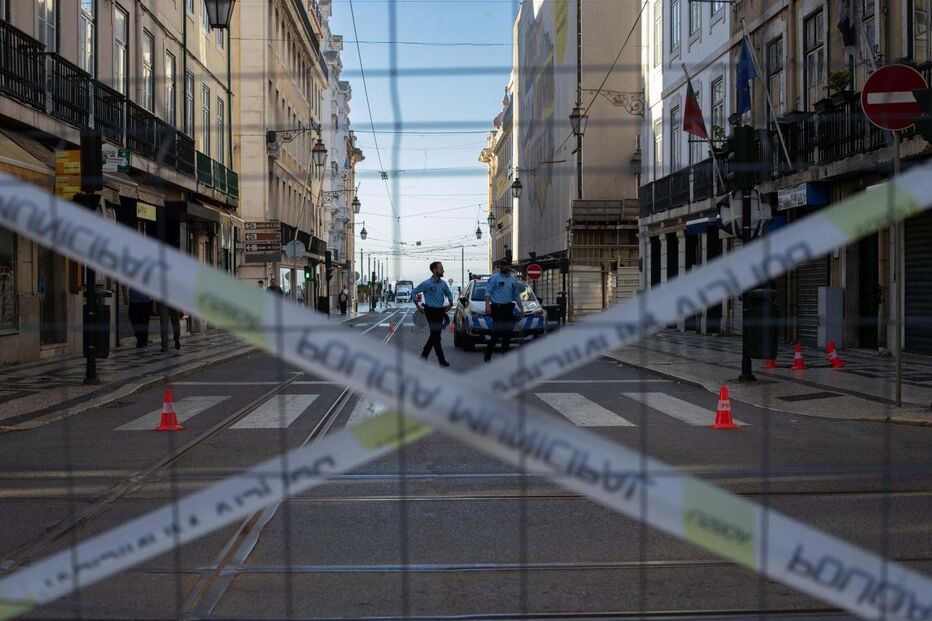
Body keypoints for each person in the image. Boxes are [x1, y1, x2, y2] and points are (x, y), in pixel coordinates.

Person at [483, 257, 524, 363]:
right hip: (497, 309)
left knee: (507, 334)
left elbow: (516, 295)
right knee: (497, 333)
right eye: (501, 265)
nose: (502, 267)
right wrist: (487, 305)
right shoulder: (494, 278)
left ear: (509, 266)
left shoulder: (512, 279)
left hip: (508, 309)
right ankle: (488, 354)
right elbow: (487, 293)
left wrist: (521, 309)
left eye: (504, 265)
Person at [413, 261, 453, 367]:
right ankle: (441, 360)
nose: (443, 270)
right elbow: (413, 292)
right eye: (441, 268)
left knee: (435, 336)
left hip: (440, 312)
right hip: (430, 311)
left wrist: (450, 303)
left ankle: (424, 356)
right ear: (435, 270)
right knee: (436, 335)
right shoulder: (426, 283)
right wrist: (418, 306)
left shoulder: (443, 284)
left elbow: (449, 294)